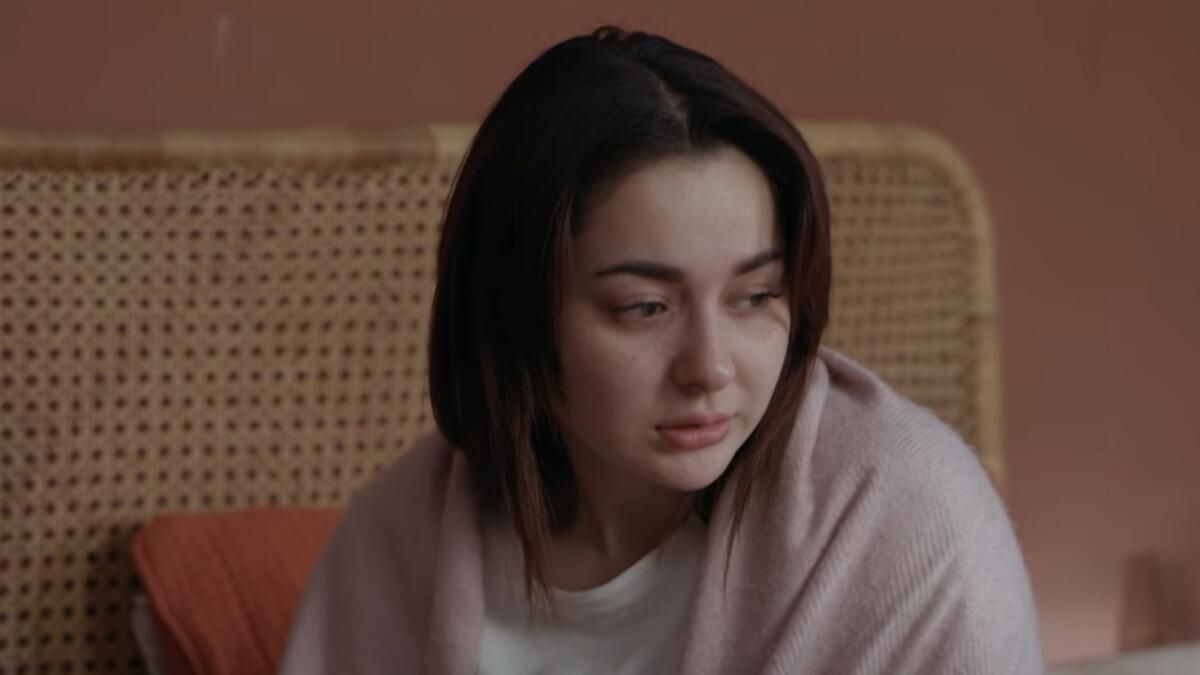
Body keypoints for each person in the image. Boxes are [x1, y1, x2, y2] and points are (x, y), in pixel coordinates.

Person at [279, 26, 1043, 674]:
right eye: (643, 308)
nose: (710, 367)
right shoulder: (399, 542)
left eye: (755, 295)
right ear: (512, 314)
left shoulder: (904, 521)